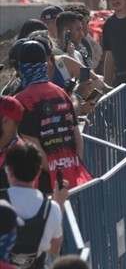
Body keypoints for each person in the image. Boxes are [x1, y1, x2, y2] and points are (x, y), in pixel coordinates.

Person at [11, 41, 90, 190]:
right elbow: (77, 136)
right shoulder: (62, 93)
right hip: (72, 180)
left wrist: (57, 171)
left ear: (22, 67)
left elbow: (33, 147)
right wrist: (73, 167)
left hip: (44, 185)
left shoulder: (19, 102)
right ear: (45, 65)